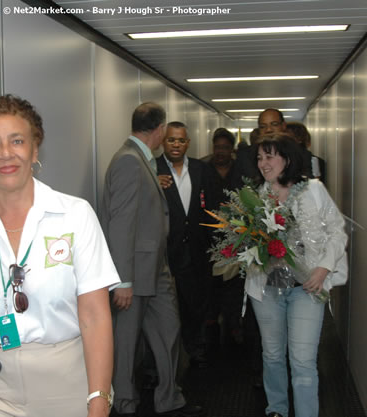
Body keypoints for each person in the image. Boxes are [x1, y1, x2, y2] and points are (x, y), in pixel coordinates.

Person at [0, 95, 119, 417]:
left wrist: (98, 401)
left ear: (35, 149)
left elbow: (95, 318)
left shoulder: (75, 216)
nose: (6, 154)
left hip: (67, 384)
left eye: (17, 141)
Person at [100, 103, 204, 417]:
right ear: (158, 130)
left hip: (157, 269)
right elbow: (120, 225)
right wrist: (124, 281)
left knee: (169, 331)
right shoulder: (129, 162)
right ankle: (124, 404)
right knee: (127, 344)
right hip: (134, 274)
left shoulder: (140, 161)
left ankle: (169, 399)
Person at [246, 134, 348, 417]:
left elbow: (337, 232)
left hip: (307, 287)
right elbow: (244, 240)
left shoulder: (313, 190)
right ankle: (276, 409)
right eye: (259, 158)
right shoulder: (254, 195)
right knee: (273, 355)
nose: (263, 164)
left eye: (269, 157)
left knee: (303, 362)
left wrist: (324, 267)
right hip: (266, 289)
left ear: (287, 159)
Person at [156, 121, 212, 367]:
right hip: (165, 249)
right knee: (162, 308)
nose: (176, 144)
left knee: (194, 302)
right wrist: (152, 184)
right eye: (171, 140)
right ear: (163, 142)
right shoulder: (152, 170)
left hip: (196, 248)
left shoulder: (201, 169)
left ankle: (196, 348)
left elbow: (213, 206)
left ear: (188, 143)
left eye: (180, 140)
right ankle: (160, 362)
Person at [204, 128, 245, 348]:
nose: (220, 152)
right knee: (211, 285)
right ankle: (211, 324)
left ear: (232, 150)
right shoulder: (203, 169)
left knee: (235, 285)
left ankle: (234, 325)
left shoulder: (241, 171)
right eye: (217, 147)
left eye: (225, 147)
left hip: (236, 238)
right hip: (208, 238)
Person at [236, 109, 288, 178]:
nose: (268, 130)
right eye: (263, 127)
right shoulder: (245, 157)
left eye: (274, 124)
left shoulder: (297, 153)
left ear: (283, 126)